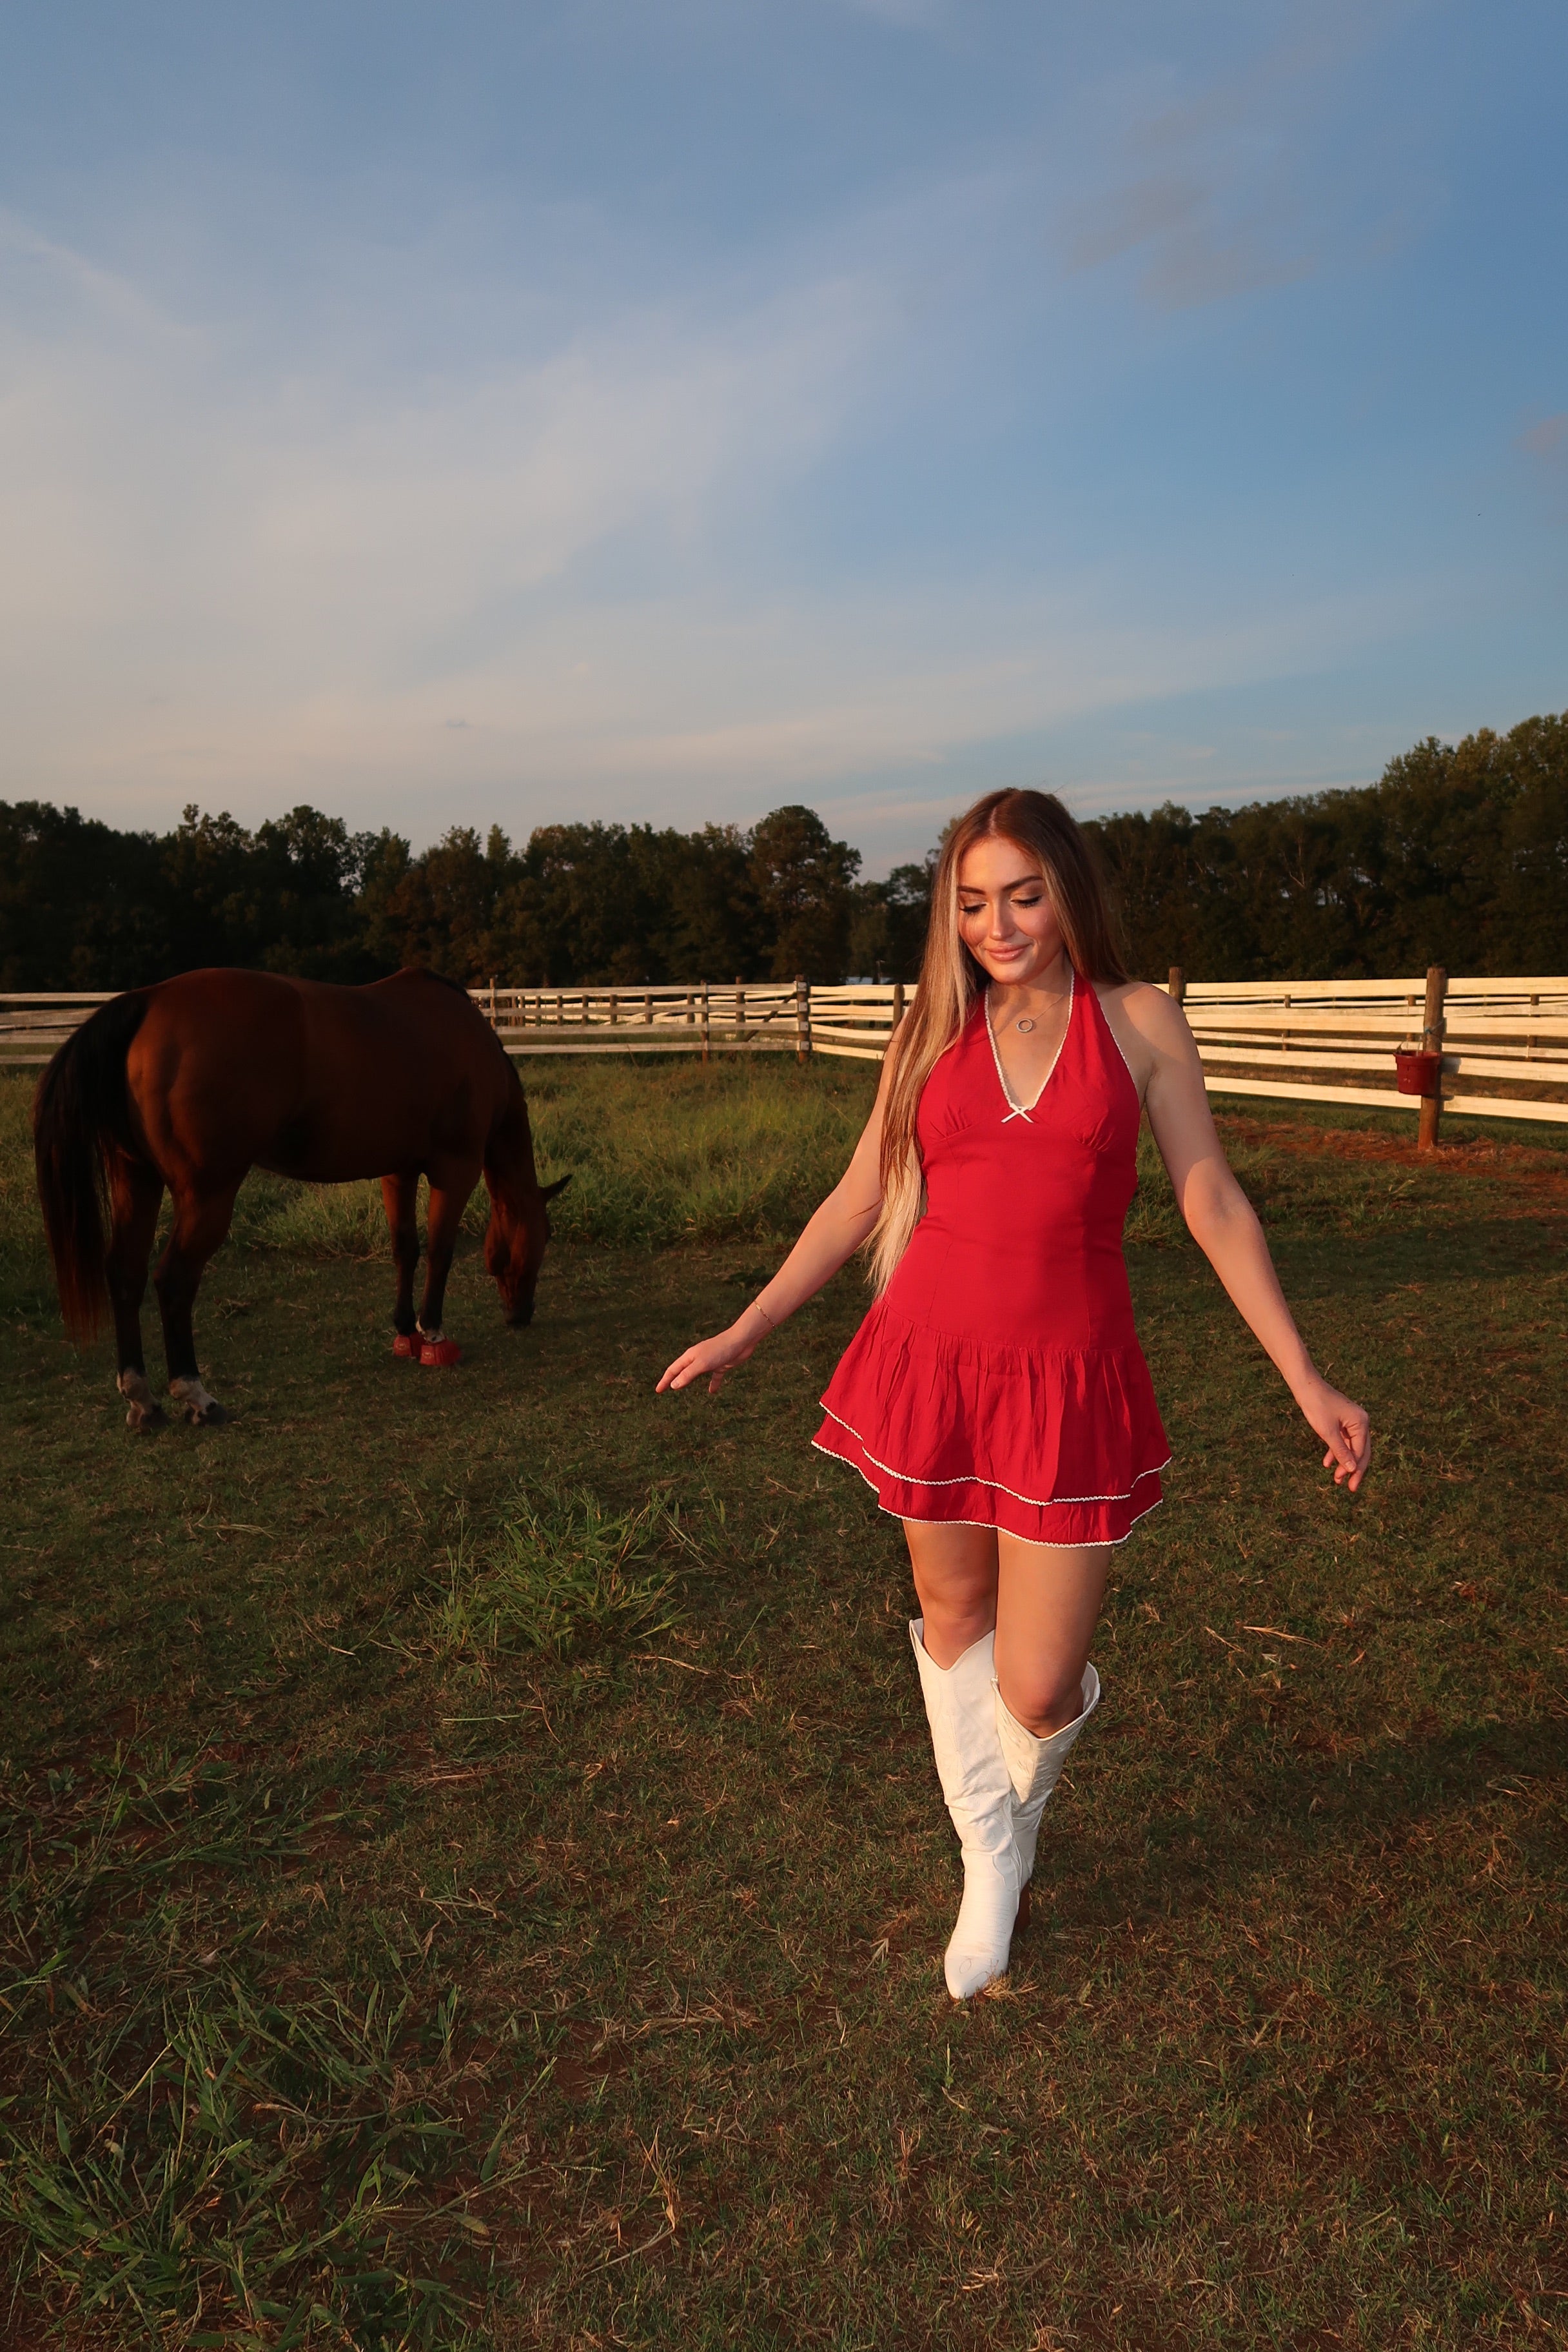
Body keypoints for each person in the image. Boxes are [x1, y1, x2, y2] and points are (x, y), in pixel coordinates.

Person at [657, 789, 1370, 2000]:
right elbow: (856, 1199)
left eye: (1025, 895)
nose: (1000, 923)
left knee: (1036, 1683)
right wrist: (749, 1325)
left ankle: (1008, 1813)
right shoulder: (929, 1031)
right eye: (974, 901)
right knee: (953, 1624)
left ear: (1070, 892)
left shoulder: (1139, 1021)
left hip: (1067, 1380)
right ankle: (991, 1857)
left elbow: (1211, 1200)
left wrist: (1303, 1373)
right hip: (931, 1362)